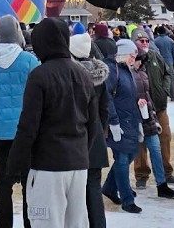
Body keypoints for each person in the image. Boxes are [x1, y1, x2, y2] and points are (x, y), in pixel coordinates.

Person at [4, 17, 98, 228]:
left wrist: (14, 166)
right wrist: (81, 152)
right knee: (76, 223)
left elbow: (28, 126)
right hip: (78, 165)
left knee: (47, 223)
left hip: (49, 166)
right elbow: (93, 124)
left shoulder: (40, 76)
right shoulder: (83, 74)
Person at [0, 16, 40, 227]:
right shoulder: (28, 60)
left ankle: (3, 224)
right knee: (28, 182)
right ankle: (28, 223)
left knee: (3, 182)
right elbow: (37, 93)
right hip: (24, 130)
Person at [69, 24, 109, 228]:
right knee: (93, 189)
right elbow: (105, 109)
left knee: (73, 193)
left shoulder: (70, 76)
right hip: (95, 141)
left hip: (74, 141)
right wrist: (101, 132)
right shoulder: (100, 76)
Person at [130, 28, 174, 188]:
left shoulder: (155, 55)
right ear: (133, 42)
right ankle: (141, 174)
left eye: (146, 41)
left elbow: (167, 73)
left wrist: (164, 89)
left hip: (159, 106)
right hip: (140, 110)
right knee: (141, 142)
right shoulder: (130, 60)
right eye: (140, 40)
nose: (144, 43)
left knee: (165, 138)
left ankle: (166, 172)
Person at [101, 39, 142, 213]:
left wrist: (139, 113)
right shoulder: (112, 70)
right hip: (119, 121)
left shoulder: (126, 70)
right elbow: (107, 97)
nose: (134, 58)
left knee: (130, 154)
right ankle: (127, 199)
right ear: (124, 54)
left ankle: (110, 187)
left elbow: (130, 95)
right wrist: (114, 122)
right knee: (123, 159)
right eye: (132, 55)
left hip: (130, 119)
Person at [152, 26, 174, 101]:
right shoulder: (170, 41)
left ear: (158, 32)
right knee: (171, 79)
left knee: (159, 80)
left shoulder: (155, 41)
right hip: (169, 61)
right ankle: (173, 96)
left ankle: (161, 97)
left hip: (159, 62)